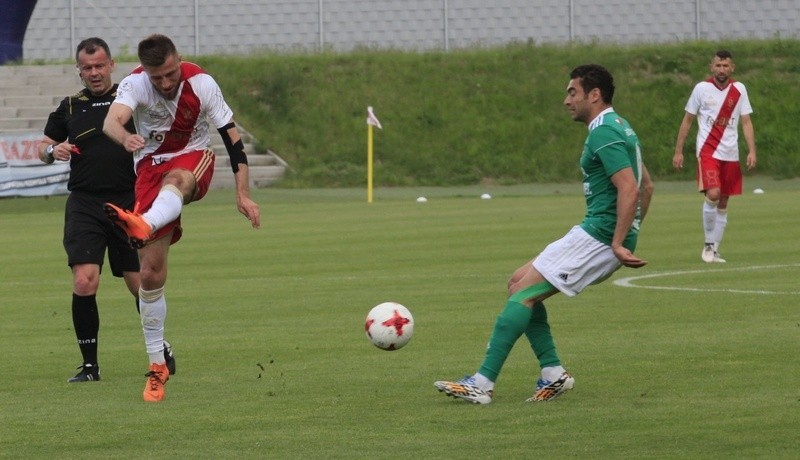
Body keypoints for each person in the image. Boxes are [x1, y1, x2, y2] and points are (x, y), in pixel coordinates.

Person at [434, 64, 654, 404]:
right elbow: (647, 185)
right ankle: (553, 374)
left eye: (572, 92)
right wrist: (631, 231)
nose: (567, 100)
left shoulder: (603, 131)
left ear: (594, 95)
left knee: (523, 294)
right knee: (517, 283)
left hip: (599, 236)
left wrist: (618, 240)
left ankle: (483, 383)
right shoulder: (620, 127)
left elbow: (629, 188)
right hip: (597, 231)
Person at [102, 34, 261, 402]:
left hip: (191, 158)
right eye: (158, 77)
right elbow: (113, 120)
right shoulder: (134, 83)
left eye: (171, 73)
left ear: (179, 60)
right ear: (147, 71)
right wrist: (124, 139)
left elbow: (232, 140)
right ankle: (157, 367)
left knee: (178, 180)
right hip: (148, 172)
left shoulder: (201, 83)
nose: (166, 82)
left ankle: (147, 223)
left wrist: (243, 194)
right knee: (151, 274)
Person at [39, 37, 175, 383]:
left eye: (100, 65)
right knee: (85, 280)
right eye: (87, 68)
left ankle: (160, 348)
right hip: (85, 203)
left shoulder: (131, 99)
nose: (94, 73)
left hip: (129, 201)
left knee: (138, 283)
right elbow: (43, 145)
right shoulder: (69, 106)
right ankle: (89, 366)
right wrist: (53, 151)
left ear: (111, 65)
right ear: (79, 70)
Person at [673, 49, 756, 263]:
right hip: (708, 151)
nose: (721, 69)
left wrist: (752, 150)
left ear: (732, 67)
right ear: (712, 67)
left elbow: (746, 121)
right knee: (713, 194)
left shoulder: (739, 90)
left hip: (731, 153)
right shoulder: (701, 89)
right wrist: (679, 151)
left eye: (725, 65)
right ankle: (708, 245)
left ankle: (714, 249)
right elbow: (688, 120)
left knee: (724, 200)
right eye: (718, 65)